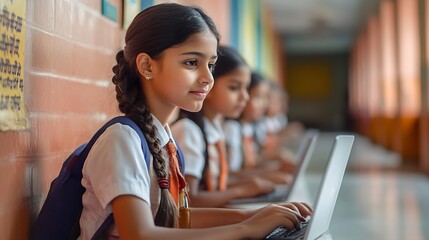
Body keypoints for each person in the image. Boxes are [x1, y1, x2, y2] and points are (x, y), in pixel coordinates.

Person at [79, 3, 311, 239]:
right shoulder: (123, 139)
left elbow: (178, 218)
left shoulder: (164, 139)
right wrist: (245, 229)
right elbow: (139, 234)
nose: (208, 78)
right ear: (147, 65)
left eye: (210, 65)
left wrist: (254, 216)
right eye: (191, 62)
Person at [171, 45, 290, 208]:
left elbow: (219, 182)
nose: (244, 97)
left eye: (246, 89)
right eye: (234, 88)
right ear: (209, 84)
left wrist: (259, 180)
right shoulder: (189, 130)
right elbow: (190, 200)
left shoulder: (214, 128)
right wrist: (241, 191)